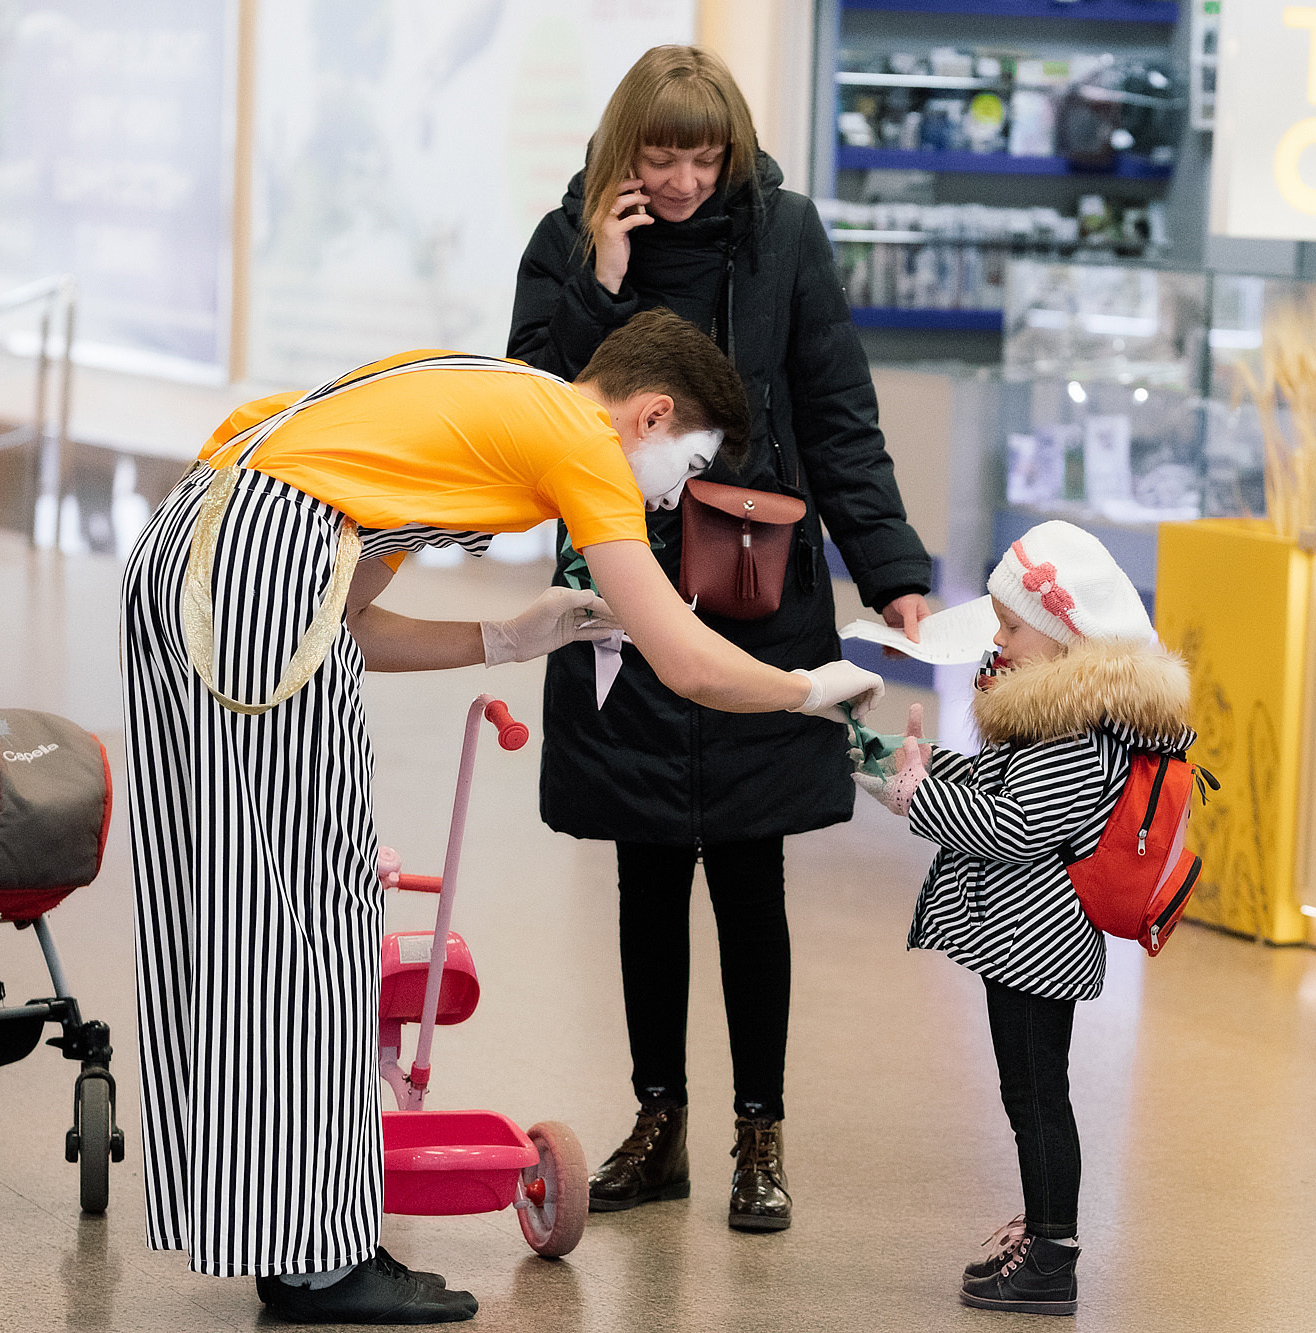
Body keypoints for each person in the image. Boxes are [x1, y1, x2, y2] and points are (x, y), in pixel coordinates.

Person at [122, 310, 884, 1324]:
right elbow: (688, 660)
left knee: (239, 896)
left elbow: (347, 628)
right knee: (307, 901)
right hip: (252, 573)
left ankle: (289, 1237)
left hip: (198, 554)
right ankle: (317, 1262)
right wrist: (810, 690)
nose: (669, 493)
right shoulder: (578, 437)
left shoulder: (488, 401)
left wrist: (511, 634)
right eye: (685, 461)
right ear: (651, 413)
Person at [507, 44, 933, 1231]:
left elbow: (838, 413)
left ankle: (759, 1134)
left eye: (704, 155)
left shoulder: (784, 235)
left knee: (750, 871)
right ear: (623, 150)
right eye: (662, 155)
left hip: (763, 594)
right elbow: (531, 410)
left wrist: (892, 572)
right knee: (646, 865)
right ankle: (658, 1127)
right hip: (622, 598)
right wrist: (601, 278)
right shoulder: (564, 238)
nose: (685, 179)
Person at [856, 521, 1192, 1318]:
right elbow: (1003, 785)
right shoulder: (1053, 710)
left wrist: (913, 795)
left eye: (1011, 627)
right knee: (1029, 1089)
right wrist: (908, 766)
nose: (997, 640)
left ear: (1065, 635)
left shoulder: (1073, 726)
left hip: (1039, 941)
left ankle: (1052, 1253)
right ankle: (1046, 1236)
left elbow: (1015, 826)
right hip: (1026, 936)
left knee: (1038, 1094)